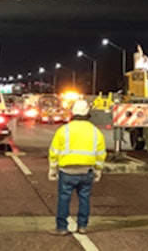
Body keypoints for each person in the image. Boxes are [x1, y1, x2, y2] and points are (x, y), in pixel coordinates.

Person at [47, 99, 106, 235]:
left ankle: (62, 227)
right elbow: (100, 153)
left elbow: (54, 151)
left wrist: (52, 169)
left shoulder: (64, 130)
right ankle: (82, 226)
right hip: (86, 171)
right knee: (84, 199)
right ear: (87, 113)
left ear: (72, 112)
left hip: (67, 171)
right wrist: (97, 170)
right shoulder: (95, 131)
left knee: (64, 199)